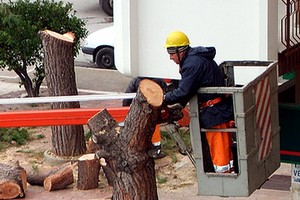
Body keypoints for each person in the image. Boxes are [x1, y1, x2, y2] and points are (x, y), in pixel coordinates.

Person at [163, 31, 235, 173]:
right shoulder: (196, 58)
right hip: (219, 109)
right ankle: (229, 174)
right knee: (225, 148)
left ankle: (224, 179)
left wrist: (164, 98)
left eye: (171, 52)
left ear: (181, 51)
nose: (170, 57)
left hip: (214, 113)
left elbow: (184, 91)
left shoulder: (192, 64)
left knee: (220, 151)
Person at [122, 77, 167, 159]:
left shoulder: (135, 81)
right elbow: (165, 95)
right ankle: (156, 149)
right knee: (154, 127)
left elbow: (127, 98)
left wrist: (125, 109)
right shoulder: (159, 80)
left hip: (137, 114)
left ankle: (139, 149)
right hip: (154, 112)